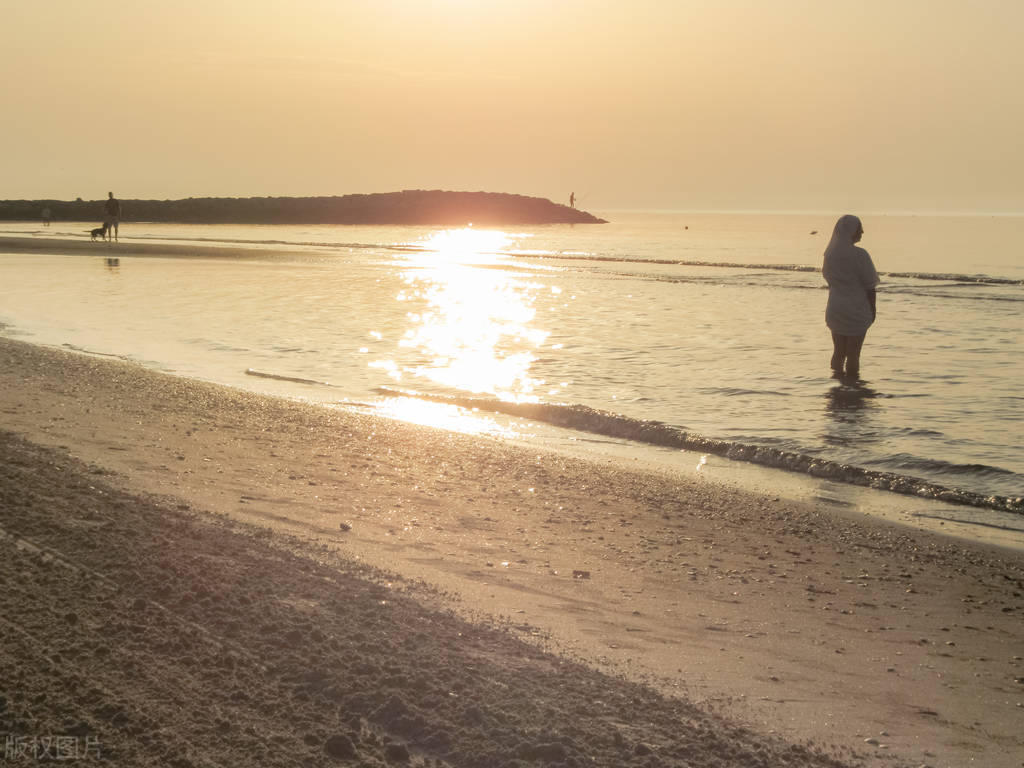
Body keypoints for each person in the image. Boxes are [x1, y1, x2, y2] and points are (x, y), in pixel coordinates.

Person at [822, 214, 879, 380]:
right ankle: (852, 387)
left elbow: (829, 280)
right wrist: (873, 309)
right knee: (854, 353)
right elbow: (870, 285)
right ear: (851, 232)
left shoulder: (830, 255)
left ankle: (837, 384)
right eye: (858, 229)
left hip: (836, 307)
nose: (862, 231)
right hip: (857, 307)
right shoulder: (860, 255)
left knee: (838, 351)